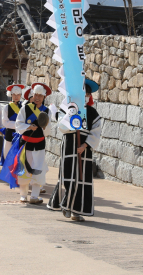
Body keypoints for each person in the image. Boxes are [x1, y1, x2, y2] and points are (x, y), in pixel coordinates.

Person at [48, 78, 102, 221]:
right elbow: (62, 127)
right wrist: (71, 116)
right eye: (84, 92)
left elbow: (96, 132)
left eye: (88, 93)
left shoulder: (92, 113)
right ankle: (65, 204)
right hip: (69, 146)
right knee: (68, 176)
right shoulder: (67, 108)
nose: (86, 95)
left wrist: (85, 145)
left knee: (81, 178)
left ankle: (76, 210)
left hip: (84, 150)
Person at [9, 82, 53, 204]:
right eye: (35, 95)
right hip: (26, 144)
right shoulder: (25, 108)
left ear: (44, 97)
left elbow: (48, 130)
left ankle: (34, 196)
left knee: (38, 169)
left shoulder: (47, 111)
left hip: (39, 145)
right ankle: (23, 195)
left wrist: (44, 127)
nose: (37, 98)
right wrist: (29, 127)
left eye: (40, 95)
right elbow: (18, 124)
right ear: (32, 95)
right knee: (24, 169)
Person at [0, 84, 25, 159]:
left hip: (20, 135)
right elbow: (5, 122)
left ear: (20, 95)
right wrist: (18, 125)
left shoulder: (23, 107)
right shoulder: (6, 107)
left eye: (18, 95)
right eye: (14, 94)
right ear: (11, 95)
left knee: (19, 157)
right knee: (7, 156)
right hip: (9, 134)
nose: (16, 96)